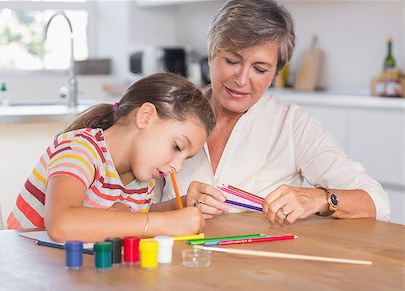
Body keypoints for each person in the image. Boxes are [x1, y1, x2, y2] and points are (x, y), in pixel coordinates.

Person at [159, 0, 390, 224]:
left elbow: (378, 202)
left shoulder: (291, 124)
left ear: (275, 74)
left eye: (259, 69)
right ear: (210, 55)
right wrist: (175, 205)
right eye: (231, 61)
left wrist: (318, 198)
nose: (241, 80)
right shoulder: (171, 113)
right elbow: (132, 206)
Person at [6, 72, 216, 242]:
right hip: (23, 267)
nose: (177, 167)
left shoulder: (142, 177)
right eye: (177, 147)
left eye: (186, 158)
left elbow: (130, 218)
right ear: (146, 117)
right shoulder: (80, 149)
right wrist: (166, 223)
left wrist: (181, 205)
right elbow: (62, 224)